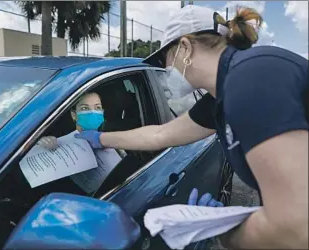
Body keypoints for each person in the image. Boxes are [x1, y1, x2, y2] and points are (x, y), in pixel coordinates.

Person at [75, 5, 308, 249]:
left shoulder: (250, 78)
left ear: (185, 48)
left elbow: (296, 227)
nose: (165, 70)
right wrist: (100, 139)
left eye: (164, 59)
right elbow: (159, 134)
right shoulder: (220, 97)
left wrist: (221, 231)